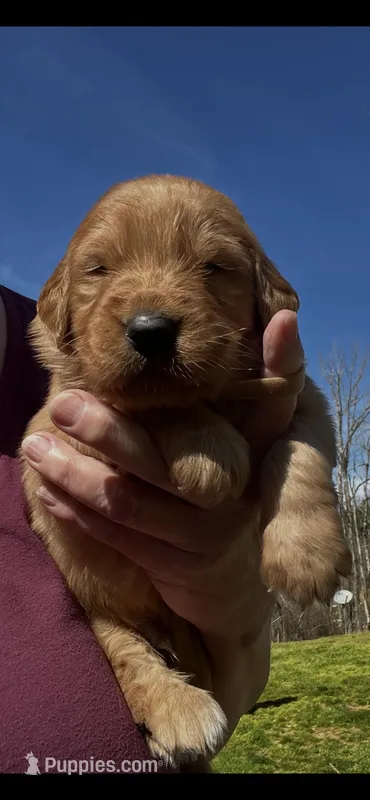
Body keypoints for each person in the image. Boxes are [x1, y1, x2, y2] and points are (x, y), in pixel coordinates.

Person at [0, 282, 304, 775]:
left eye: (211, 269)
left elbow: (232, 696)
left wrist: (240, 614)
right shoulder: (72, 342)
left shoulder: (61, 326)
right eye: (100, 269)